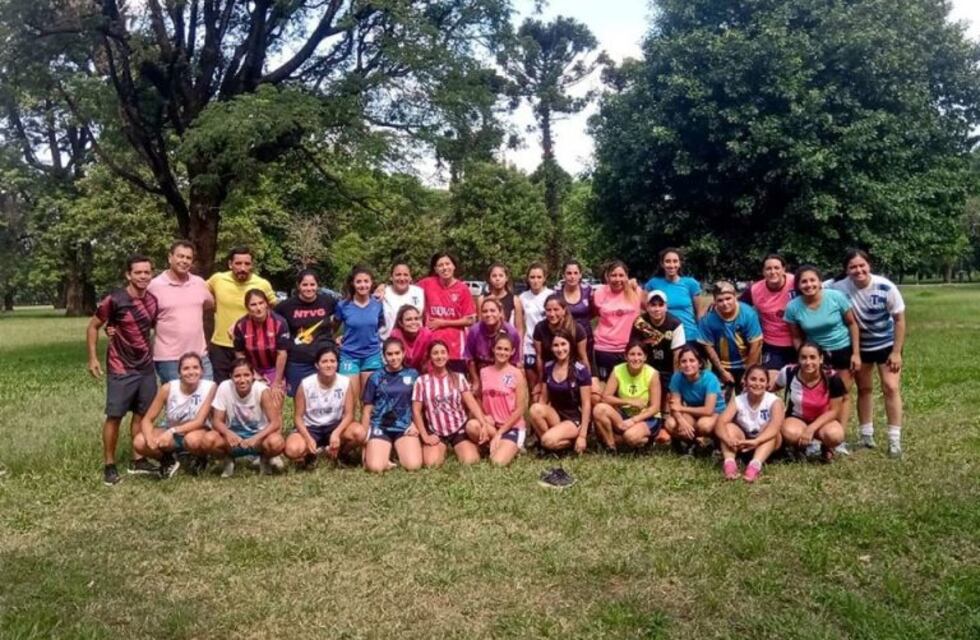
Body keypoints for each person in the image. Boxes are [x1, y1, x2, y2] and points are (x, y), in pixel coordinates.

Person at [87, 254, 160, 486]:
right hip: (120, 367)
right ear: (128, 274)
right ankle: (109, 464)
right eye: (138, 272)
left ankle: (137, 461)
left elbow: (149, 328)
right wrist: (93, 358)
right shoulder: (114, 299)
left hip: (146, 367)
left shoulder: (152, 301)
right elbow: (93, 326)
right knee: (115, 416)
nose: (143, 276)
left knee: (142, 414)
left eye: (147, 272)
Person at [829, 250, 906, 456]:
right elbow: (812, 285)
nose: (858, 270)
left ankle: (894, 440)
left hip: (886, 344)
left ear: (869, 265)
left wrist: (896, 352)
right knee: (864, 389)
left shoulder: (886, 287)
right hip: (859, 347)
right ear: (846, 270)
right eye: (853, 267)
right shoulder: (837, 287)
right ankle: (866, 436)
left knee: (890, 387)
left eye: (862, 265)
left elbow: (899, 320)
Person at [783, 265, 860, 440]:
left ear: (820, 282)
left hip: (842, 349)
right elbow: (795, 336)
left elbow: (852, 324)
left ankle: (838, 437)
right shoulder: (793, 307)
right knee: (816, 394)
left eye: (812, 280)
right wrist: (804, 357)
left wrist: (856, 353)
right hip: (814, 354)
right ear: (798, 285)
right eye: (804, 281)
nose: (809, 284)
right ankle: (814, 434)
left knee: (843, 394)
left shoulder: (836, 297)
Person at [134, 352, 216, 478]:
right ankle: (167, 461)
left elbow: (199, 421)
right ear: (179, 372)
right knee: (139, 442)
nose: (191, 372)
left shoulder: (210, 387)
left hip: (197, 431)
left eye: (195, 367)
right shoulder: (168, 388)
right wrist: (150, 440)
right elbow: (147, 420)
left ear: (202, 370)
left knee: (192, 440)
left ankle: (200, 458)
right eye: (186, 368)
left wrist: (171, 431)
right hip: (173, 433)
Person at [284, 345, 365, 468]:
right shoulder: (305, 384)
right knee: (292, 449)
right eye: (324, 361)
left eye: (332, 361)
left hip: (334, 425)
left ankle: (341, 453)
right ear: (317, 365)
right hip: (311, 427)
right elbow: (298, 417)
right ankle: (309, 453)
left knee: (359, 433)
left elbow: (349, 414)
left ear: (337, 364)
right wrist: (307, 438)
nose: (329, 365)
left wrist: (336, 433)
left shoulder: (345, 382)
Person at [412, 340, 490, 467]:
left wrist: (483, 423)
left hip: (458, 428)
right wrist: (425, 436)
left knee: (471, 462)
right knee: (432, 464)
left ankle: (473, 446)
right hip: (436, 431)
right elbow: (416, 411)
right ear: (430, 357)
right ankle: (441, 448)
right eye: (435, 353)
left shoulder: (458, 378)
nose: (439, 356)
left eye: (443, 352)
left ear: (448, 356)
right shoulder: (422, 381)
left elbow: (471, 402)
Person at [203, 358, 286, 477]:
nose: (242, 380)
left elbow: (275, 422)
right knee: (208, 440)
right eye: (237, 376)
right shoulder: (224, 387)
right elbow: (217, 420)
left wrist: (256, 438)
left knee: (277, 442)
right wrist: (228, 433)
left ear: (253, 376)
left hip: (258, 438)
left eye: (246, 375)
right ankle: (227, 461)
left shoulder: (262, 390)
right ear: (231, 376)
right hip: (233, 439)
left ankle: (265, 459)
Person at [206, 246, 277, 383]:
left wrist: (243, 324)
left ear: (252, 265)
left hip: (250, 346)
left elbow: (273, 309)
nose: (243, 268)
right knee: (221, 390)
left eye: (247, 264)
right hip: (221, 346)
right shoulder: (218, 280)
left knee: (249, 390)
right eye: (238, 263)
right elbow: (198, 291)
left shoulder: (262, 284)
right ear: (230, 264)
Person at [148, 240, 215, 382]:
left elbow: (209, 304)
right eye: (180, 256)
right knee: (177, 402)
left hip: (200, 356)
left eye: (188, 258)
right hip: (170, 359)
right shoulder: (154, 286)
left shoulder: (199, 283)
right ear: (170, 257)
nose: (184, 261)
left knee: (206, 398)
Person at [774, 342, 847, 462]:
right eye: (803, 357)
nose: (808, 362)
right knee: (789, 432)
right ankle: (799, 448)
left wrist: (811, 428)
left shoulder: (833, 378)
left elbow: (834, 411)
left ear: (821, 359)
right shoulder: (789, 372)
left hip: (824, 420)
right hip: (797, 418)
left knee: (835, 436)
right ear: (798, 359)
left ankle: (826, 447)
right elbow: (774, 387)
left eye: (813, 357)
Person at [361, 338, 422, 473]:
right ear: (384, 356)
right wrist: (365, 436)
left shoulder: (413, 375)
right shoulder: (375, 377)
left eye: (397, 353)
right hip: (381, 426)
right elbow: (367, 410)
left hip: (405, 426)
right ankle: (380, 453)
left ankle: (395, 451)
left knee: (414, 466)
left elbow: (420, 405)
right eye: (390, 354)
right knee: (375, 468)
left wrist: (415, 424)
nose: (394, 357)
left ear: (403, 353)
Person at [715, 364, 784, 482]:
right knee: (728, 427)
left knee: (771, 432)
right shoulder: (738, 400)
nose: (757, 383)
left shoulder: (774, 401)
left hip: (764, 443)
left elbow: (775, 427)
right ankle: (729, 464)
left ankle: (754, 466)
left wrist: (757, 441)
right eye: (753, 379)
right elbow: (720, 423)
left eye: (762, 380)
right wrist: (727, 439)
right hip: (743, 442)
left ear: (767, 384)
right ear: (745, 381)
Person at [275, 270, 338, 398]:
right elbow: (265, 316)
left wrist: (343, 336)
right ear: (298, 286)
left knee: (327, 397)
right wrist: (238, 324)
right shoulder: (286, 306)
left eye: (312, 284)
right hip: (298, 361)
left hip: (325, 360)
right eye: (305, 285)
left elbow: (349, 311)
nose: (309, 288)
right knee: (301, 399)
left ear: (317, 285)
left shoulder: (328, 301)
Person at [528, 331, 593, 453]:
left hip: (573, 418)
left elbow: (586, 404)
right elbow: (543, 400)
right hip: (556, 415)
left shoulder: (581, 370)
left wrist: (583, 436)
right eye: (556, 345)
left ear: (570, 346)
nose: (560, 349)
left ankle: (565, 444)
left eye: (563, 344)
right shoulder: (548, 367)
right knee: (535, 408)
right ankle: (550, 444)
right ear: (551, 348)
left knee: (547, 440)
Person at [592, 341, 663, 451]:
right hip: (625, 414)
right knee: (599, 409)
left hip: (646, 417)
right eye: (632, 354)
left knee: (630, 436)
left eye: (639, 354)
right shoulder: (618, 370)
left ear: (645, 357)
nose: (636, 358)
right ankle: (611, 447)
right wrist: (629, 401)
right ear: (626, 356)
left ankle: (646, 441)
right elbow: (605, 398)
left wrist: (634, 420)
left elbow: (655, 407)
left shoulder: (652, 374)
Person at [698, 280, 763, 395]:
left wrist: (748, 373)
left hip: (746, 364)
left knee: (748, 401)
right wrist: (722, 371)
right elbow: (708, 347)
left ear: (735, 297)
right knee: (718, 402)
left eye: (728, 299)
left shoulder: (748, 314)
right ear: (714, 301)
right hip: (722, 366)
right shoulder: (708, 319)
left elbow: (756, 344)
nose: (725, 303)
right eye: (720, 300)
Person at [416, 252, 477, 374]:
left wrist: (443, 323)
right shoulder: (426, 284)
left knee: (455, 386)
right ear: (435, 269)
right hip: (432, 346)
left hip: (455, 348)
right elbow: (406, 290)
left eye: (447, 264)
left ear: (454, 266)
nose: (444, 268)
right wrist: (383, 288)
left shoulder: (462, 289)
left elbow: (470, 319)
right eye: (440, 265)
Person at [741, 254, 797, 385]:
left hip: (799, 341)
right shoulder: (755, 289)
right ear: (763, 272)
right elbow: (738, 306)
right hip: (773, 343)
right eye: (768, 268)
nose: (773, 272)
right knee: (769, 384)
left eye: (777, 268)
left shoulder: (796, 282)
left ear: (784, 269)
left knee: (798, 384)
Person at [336, 265, 386, 402]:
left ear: (371, 283)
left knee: (369, 401)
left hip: (371, 355)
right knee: (349, 401)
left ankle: (366, 424)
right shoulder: (343, 305)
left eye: (366, 281)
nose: (363, 285)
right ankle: (351, 424)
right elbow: (333, 327)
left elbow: (380, 325)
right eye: (359, 281)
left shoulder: (378, 304)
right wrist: (337, 338)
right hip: (349, 356)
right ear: (353, 283)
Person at [664, 346, 727, 452]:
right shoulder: (677, 377)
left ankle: (716, 443)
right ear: (679, 364)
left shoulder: (710, 378)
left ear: (700, 363)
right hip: (693, 411)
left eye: (692, 360)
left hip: (715, 412)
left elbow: (708, 410)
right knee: (670, 424)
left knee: (703, 425)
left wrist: (682, 409)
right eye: (683, 361)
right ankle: (693, 444)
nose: (688, 365)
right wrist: (680, 421)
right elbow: (675, 406)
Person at [630, 290, 685, 410]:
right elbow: (634, 348)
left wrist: (675, 385)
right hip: (646, 368)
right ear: (647, 307)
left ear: (666, 307)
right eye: (653, 305)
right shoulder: (640, 322)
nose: (657, 309)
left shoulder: (675, 324)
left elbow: (677, 356)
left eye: (660, 305)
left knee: (668, 405)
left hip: (668, 369)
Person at [478, 334, 528, 465]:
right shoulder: (484, 372)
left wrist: (500, 432)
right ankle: (494, 444)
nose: (502, 352)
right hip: (492, 425)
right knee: (472, 426)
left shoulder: (517, 373)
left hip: (511, 426)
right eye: (499, 348)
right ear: (493, 349)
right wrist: (483, 418)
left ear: (512, 352)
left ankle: (512, 446)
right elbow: (478, 398)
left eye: (506, 349)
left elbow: (520, 408)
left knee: (497, 462)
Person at [232, 289, 290, 398]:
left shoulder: (279, 323)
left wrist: (277, 382)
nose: (258, 308)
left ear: (267, 304)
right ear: (247, 307)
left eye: (261, 303)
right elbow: (239, 354)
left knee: (274, 400)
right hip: (251, 369)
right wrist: (254, 374)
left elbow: (282, 354)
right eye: (253, 305)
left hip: (274, 369)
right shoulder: (241, 325)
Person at [592, 260, 642, 381]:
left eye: (621, 275)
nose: (617, 279)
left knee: (628, 386)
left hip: (629, 348)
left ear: (627, 276)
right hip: (604, 348)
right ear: (607, 276)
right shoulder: (599, 293)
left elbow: (650, 310)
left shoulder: (635, 291)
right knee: (607, 386)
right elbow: (594, 314)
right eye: (613, 275)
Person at [643, 248, 704, 345]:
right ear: (662, 264)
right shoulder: (653, 283)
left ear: (680, 263)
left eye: (675, 261)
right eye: (667, 261)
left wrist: (702, 336)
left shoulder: (691, 283)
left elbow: (699, 313)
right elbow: (644, 308)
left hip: (689, 335)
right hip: (664, 337)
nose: (671, 265)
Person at [465, 297, 522, 394]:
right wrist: (475, 380)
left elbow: (514, 361)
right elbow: (470, 358)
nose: (488, 314)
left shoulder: (511, 333)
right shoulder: (475, 331)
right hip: (480, 372)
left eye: (492, 311)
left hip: (503, 372)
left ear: (500, 313)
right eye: (485, 311)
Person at [518, 262, 553, 401]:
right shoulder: (522, 297)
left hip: (549, 347)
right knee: (534, 389)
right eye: (532, 277)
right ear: (527, 279)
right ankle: (533, 421)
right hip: (530, 346)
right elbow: (519, 326)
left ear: (545, 278)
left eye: (539, 277)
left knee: (549, 388)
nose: (535, 280)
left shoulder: (552, 295)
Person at [533, 295, 588, 382]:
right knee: (537, 395)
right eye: (548, 310)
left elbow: (582, 356)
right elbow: (539, 357)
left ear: (564, 310)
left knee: (594, 394)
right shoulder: (540, 328)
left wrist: (588, 379)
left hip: (573, 370)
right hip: (550, 371)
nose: (552, 314)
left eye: (556, 309)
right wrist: (540, 381)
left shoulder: (577, 329)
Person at [558, 260, 595, 364]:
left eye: (575, 273)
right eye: (569, 273)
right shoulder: (557, 293)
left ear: (580, 275)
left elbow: (593, 312)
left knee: (585, 368)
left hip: (586, 337)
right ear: (563, 275)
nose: (572, 276)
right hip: (565, 338)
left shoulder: (587, 291)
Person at [380, 262, 425, 340]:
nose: (402, 278)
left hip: (415, 344)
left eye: (405, 275)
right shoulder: (383, 294)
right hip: (388, 344)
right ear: (391, 277)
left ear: (410, 277)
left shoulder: (419, 292)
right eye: (398, 275)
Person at [389, 304, 434, 372]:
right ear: (401, 323)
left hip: (422, 372)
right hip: (401, 372)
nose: (413, 322)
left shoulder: (426, 334)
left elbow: (430, 360)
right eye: (409, 319)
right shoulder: (395, 335)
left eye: (416, 319)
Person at [479, 262, 524, 328]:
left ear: (506, 278)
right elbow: (480, 325)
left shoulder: (515, 300)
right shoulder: (482, 299)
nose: (497, 279)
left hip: (507, 336)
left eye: (501, 275)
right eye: (494, 276)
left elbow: (519, 328)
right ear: (489, 279)